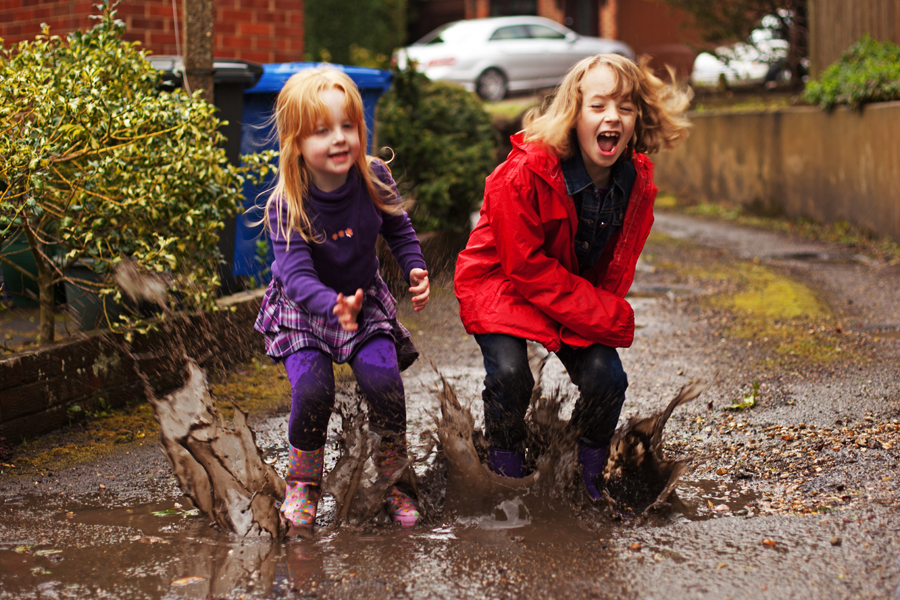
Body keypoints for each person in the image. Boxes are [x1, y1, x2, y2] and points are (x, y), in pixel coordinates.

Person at [454, 54, 691, 500]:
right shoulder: (523, 173)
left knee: (607, 378)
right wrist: (606, 315)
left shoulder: (633, 181)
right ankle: (504, 476)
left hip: (565, 289)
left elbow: (613, 264)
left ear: (638, 117)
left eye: (625, 107)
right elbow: (525, 268)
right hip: (501, 282)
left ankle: (587, 477)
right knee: (510, 374)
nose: (612, 118)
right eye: (598, 105)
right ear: (574, 114)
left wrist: (600, 316)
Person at [254, 67, 430, 535]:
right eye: (322, 130)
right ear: (295, 143)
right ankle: (304, 482)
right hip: (304, 308)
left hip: (363, 300)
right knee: (314, 391)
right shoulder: (287, 204)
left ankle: (394, 481)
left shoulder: (373, 176)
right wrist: (331, 304)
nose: (339, 139)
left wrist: (414, 266)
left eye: (348, 126)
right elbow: (294, 275)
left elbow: (398, 227)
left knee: (384, 383)